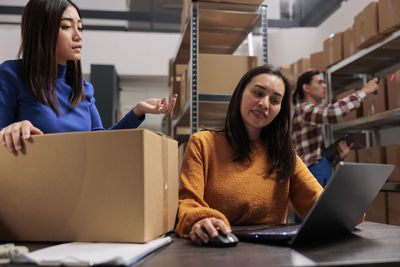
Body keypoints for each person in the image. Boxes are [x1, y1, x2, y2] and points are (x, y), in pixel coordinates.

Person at [0, 0, 176, 154]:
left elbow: (101, 143)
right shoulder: (11, 75)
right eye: (67, 27)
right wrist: (11, 130)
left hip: (77, 187)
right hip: (28, 187)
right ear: (41, 31)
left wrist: (138, 111)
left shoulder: (83, 89)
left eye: (80, 27)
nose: (78, 35)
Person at [175, 65, 324, 245]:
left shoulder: (284, 153)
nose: (264, 104)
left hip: (271, 254)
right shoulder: (203, 144)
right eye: (258, 93)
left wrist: (345, 210)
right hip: (215, 248)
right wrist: (199, 220)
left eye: (275, 101)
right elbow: (188, 202)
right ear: (240, 94)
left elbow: (318, 204)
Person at [291, 70, 378, 187]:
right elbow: (333, 113)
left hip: (319, 174)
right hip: (310, 177)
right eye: (320, 82)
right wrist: (363, 91)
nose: (325, 85)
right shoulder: (303, 109)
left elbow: (314, 156)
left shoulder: (310, 114)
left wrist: (337, 158)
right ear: (306, 87)